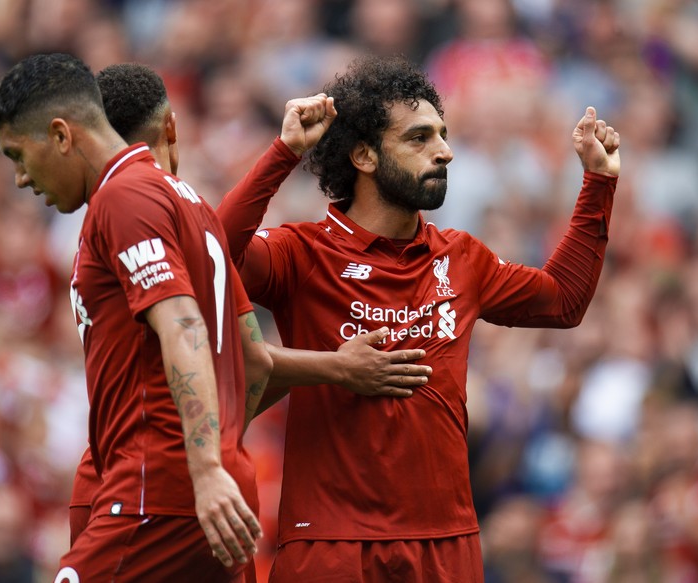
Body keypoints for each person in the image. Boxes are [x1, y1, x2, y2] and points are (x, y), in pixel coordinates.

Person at [215, 54, 621, 581]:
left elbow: (564, 300)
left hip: (446, 543)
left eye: (443, 135)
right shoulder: (303, 252)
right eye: (420, 138)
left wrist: (597, 182)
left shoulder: (461, 257)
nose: (445, 152)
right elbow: (215, 253)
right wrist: (285, 151)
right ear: (363, 155)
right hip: (331, 541)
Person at [66, 62, 433, 580]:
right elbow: (242, 355)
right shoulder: (172, 209)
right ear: (171, 127)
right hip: (179, 477)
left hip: (146, 477)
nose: (21, 177)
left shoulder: (133, 208)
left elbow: (239, 354)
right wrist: (338, 368)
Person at [0, 53, 263, 581]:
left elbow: (182, 324)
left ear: (62, 135)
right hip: (202, 482)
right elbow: (255, 363)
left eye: (18, 155)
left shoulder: (124, 197)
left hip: (158, 487)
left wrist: (203, 470)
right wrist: (220, 456)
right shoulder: (189, 202)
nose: (20, 178)